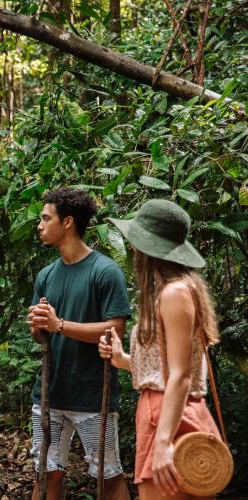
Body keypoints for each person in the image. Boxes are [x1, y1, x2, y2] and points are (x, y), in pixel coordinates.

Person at [99, 199, 221, 499]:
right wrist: (122, 359)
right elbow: (165, 368)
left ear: (145, 248)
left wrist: (164, 441)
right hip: (165, 409)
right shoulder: (174, 290)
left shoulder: (174, 293)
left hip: (169, 415)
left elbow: (180, 375)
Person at [26, 188, 131, 500]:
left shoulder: (105, 271)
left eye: (46, 218)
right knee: (45, 474)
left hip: (92, 395)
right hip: (50, 392)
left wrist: (60, 325)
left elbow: (116, 331)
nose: (40, 225)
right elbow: (42, 336)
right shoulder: (46, 275)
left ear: (67, 222)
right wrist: (40, 326)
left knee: (109, 477)